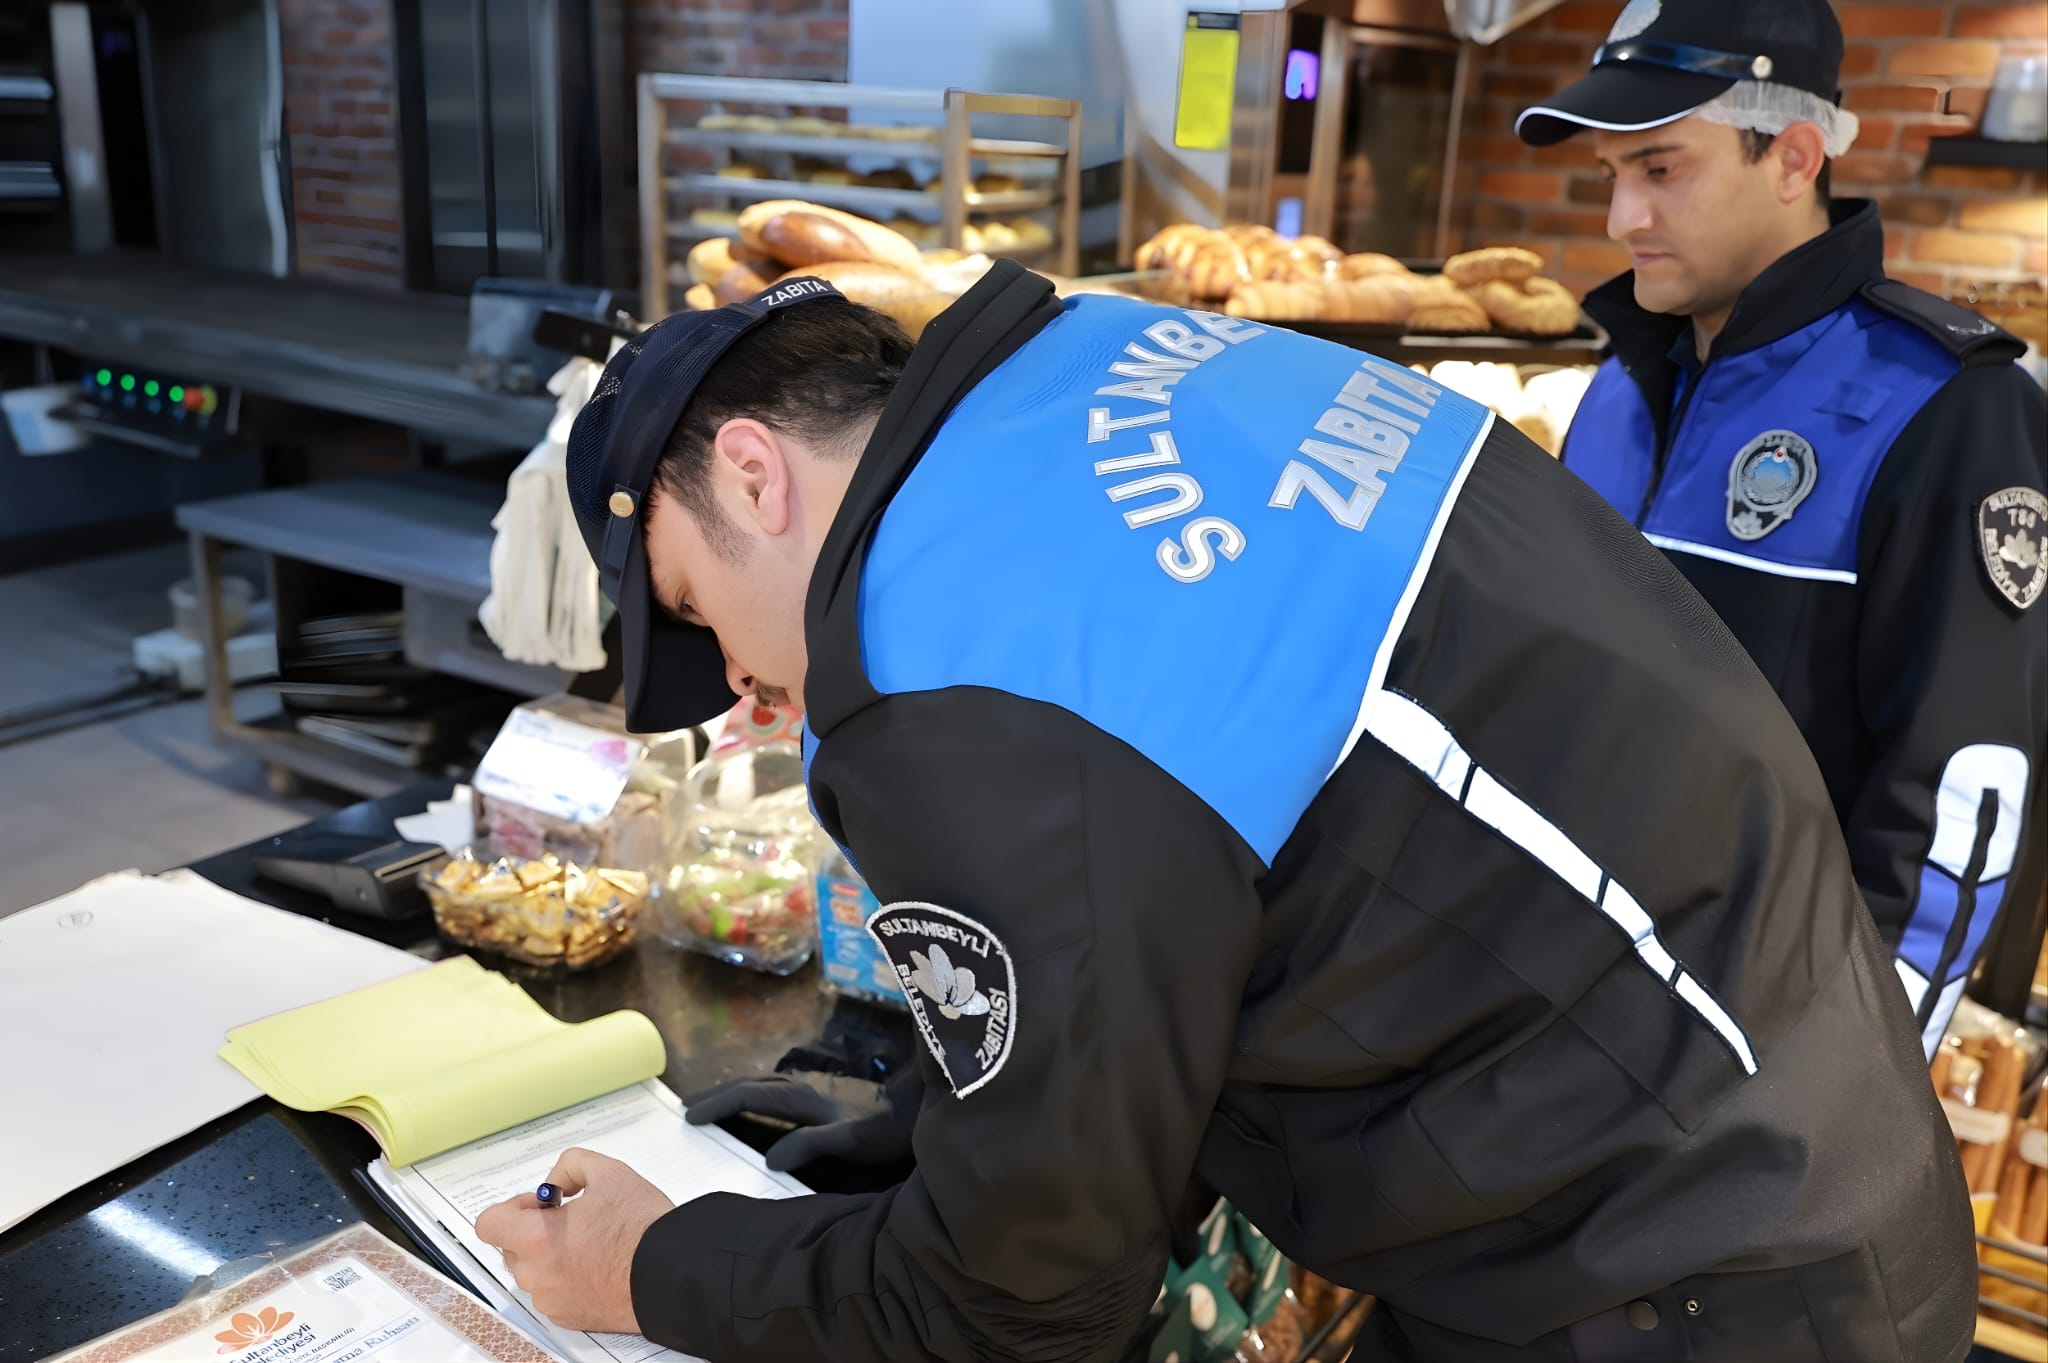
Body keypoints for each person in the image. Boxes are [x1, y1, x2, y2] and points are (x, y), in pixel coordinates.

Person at [474, 262, 1974, 1361]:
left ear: (755, 474)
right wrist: (925, 1144)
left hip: (1678, 1276)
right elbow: (1195, 915)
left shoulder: (956, 664)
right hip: (1779, 1162)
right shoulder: (1109, 371)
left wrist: (652, 1265)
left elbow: (1021, 1307)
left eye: (695, 605)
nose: (741, 683)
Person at [1518, 0, 2048, 1057]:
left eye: (1660, 168)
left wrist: (1851, 1090)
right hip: (1547, 1011)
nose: (1621, 218)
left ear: (1794, 158)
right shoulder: (1620, 385)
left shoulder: (1946, 407)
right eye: (1611, 174)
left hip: (1756, 1055)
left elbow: (1959, 801)